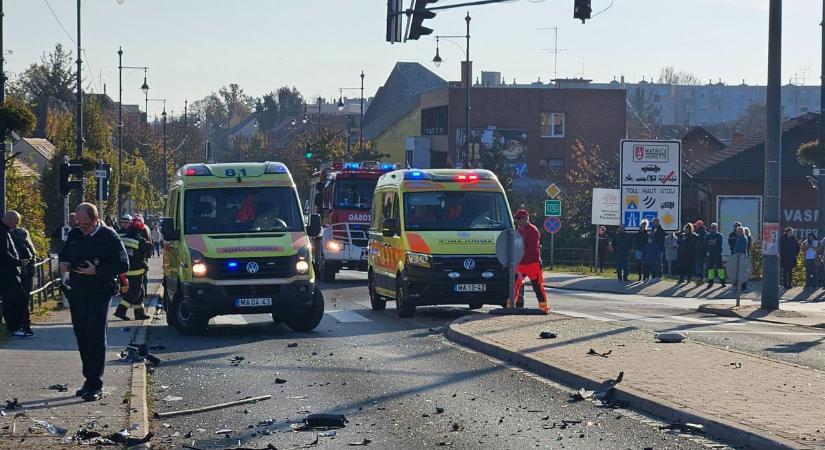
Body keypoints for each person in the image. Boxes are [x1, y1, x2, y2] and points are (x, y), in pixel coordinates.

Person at [59, 203, 129, 402]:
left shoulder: (109, 236)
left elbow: (124, 264)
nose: (82, 228)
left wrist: (96, 271)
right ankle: (88, 379)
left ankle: (96, 383)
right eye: (79, 224)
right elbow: (65, 254)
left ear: (96, 220)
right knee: (82, 336)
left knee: (96, 336)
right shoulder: (75, 234)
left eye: (86, 225)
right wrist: (64, 264)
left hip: (99, 292)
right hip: (77, 291)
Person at [114, 217, 153, 321]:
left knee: (140, 293)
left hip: (125, 270)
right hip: (135, 271)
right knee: (134, 293)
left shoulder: (123, 238)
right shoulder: (139, 240)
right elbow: (149, 248)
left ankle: (139, 313)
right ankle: (120, 311)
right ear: (140, 229)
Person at [0, 211, 31, 338]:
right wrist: (19, 262)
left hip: (7, 271)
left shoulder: (4, 231)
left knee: (13, 298)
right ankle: (15, 327)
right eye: (16, 221)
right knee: (18, 298)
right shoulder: (3, 233)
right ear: (10, 219)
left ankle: (15, 326)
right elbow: (4, 253)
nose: (16, 225)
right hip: (7, 272)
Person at [512, 209, 549, 313]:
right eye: (517, 219)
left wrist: (519, 255)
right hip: (521, 264)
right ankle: (510, 306)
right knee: (514, 284)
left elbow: (532, 248)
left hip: (533, 263)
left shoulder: (533, 230)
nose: (517, 221)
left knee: (537, 286)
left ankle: (543, 308)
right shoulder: (518, 230)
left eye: (519, 219)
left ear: (525, 219)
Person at [6, 211, 36, 335]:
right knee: (22, 299)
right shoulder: (22, 233)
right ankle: (23, 325)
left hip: (18, 271)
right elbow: (32, 252)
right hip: (23, 270)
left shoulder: (13, 234)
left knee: (17, 299)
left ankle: (18, 325)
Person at [705, 222, 726, 288]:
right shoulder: (707, 235)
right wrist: (713, 242)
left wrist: (712, 242)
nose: (711, 229)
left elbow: (717, 242)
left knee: (720, 269)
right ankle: (710, 282)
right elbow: (706, 243)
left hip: (717, 254)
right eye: (711, 227)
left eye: (713, 227)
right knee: (710, 269)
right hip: (710, 254)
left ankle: (722, 282)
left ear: (716, 228)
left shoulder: (719, 235)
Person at [731, 226, 750, 291]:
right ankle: (741, 287)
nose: (737, 232)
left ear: (741, 232)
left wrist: (736, 254)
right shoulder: (742, 237)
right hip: (740, 256)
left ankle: (742, 287)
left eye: (738, 231)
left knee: (741, 273)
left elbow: (740, 248)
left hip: (740, 257)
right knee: (740, 272)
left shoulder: (742, 238)